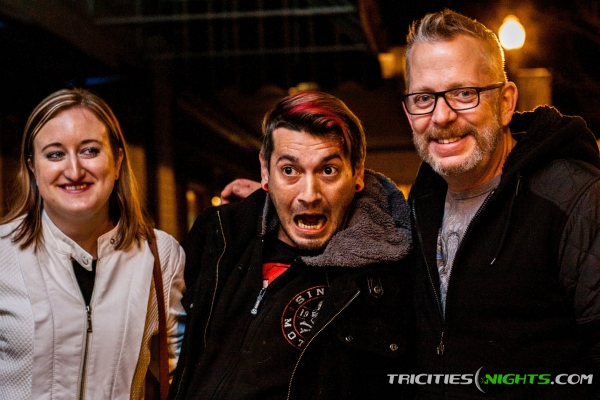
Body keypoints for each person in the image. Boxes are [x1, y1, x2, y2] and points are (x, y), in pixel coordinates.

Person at [403, 9, 600, 398]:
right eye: (424, 98)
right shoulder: (419, 202)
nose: (441, 116)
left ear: (506, 102)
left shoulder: (574, 200)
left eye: (464, 93)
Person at [168, 91, 414, 399]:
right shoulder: (219, 236)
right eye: (289, 170)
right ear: (265, 170)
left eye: (328, 170)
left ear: (357, 173)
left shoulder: (383, 281)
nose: (309, 194)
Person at [0, 88, 186, 400]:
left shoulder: (160, 254)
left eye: (89, 151)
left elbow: (184, 374)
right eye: (55, 154)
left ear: (117, 160)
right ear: (33, 167)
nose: (74, 171)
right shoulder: (2, 252)